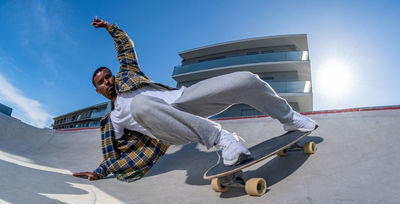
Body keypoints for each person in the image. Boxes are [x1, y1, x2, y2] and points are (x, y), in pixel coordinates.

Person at [73, 17, 317, 182]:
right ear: (98, 91)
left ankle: (288, 118)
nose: (107, 82)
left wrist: (110, 28)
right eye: (101, 83)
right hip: (167, 129)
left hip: (186, 98)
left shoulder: (128, 76)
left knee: (245, 79)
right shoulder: (113, 120)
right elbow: (114, 155)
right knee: (141, 105)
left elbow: (125, 48)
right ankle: (224, 139)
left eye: (108, 77)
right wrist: (99, 172)